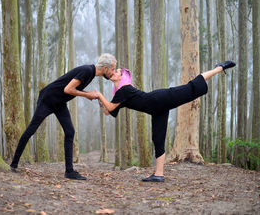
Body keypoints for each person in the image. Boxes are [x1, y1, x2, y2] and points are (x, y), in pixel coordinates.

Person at [95, 61, 236, 182]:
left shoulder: (124, 90)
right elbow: (108, 111)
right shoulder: (121, 94)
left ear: (122, 77)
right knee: (158, 139)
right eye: (113, 72)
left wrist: (99, 95)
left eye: (117, 71)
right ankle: (159, 175)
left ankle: (219, 68)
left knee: (191, 87)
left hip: (161, 98)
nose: (113, 73)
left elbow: (110, 107)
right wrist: (100, 101)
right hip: (157, 110)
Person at [10, 53, 117, 180]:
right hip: (48, 99)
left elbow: (69, 89)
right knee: (31, 130)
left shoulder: (91, 73)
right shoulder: (87, 70)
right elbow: (68, 89)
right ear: (105, 68)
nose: (113, 72)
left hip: (59, 102)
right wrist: (87, 94)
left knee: (70, 131)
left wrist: (89, 94)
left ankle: (69, 171)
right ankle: (13, 164)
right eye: (112, 69)